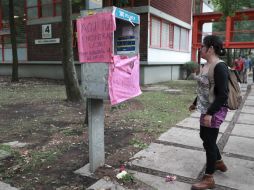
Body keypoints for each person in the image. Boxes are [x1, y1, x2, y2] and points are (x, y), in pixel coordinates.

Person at [189, 35, 229, 190]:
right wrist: (195, 103)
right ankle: (218, 162)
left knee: (210, 142)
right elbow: (205, 89)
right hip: (205, 108)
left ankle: (209, 178)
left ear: (210, 48)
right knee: (204, 137)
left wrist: (210, 113)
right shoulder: (206, 65)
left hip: (215, 110)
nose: (200, 49)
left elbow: (223, 94)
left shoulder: (220, 67)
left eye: (202, 46)